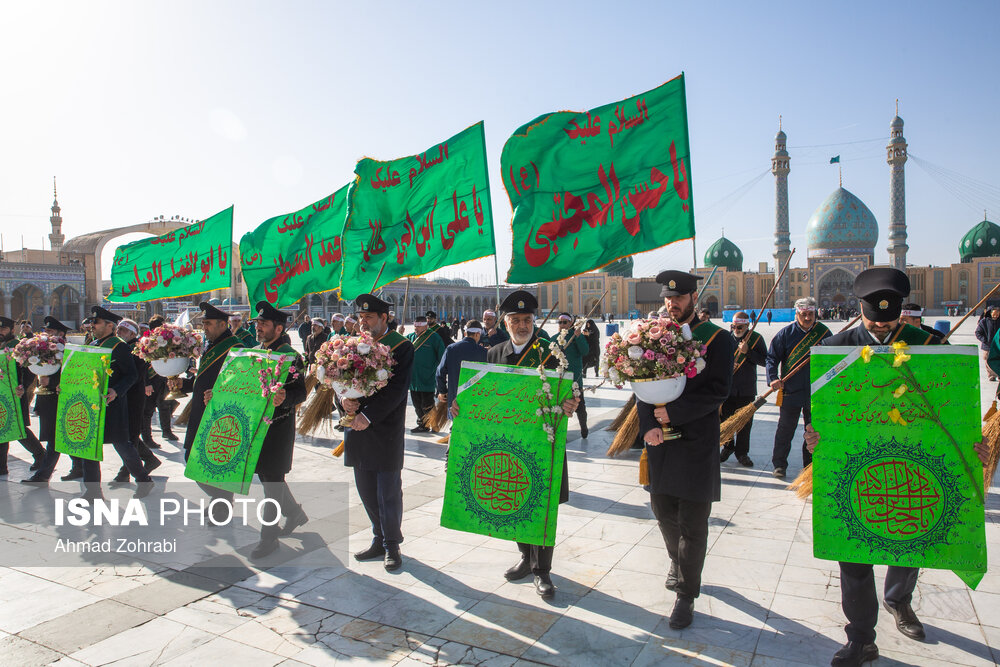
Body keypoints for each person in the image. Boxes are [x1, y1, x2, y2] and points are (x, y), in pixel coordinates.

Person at [803, 268, 962, 667]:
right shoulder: (836, 348)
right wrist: (814, 435)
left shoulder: (929, 345)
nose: (881, 326)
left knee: (909, 538)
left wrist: (968, 443)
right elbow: (821, 406)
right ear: (859, 309)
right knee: (853, 550)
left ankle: (898, 601)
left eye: (889, 321)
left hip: (913, 466)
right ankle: (860, 638)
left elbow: (954, 401)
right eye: (874, 319)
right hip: (857, 467)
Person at [452, 290, 580, 598]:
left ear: (534, 321)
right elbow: (485, 394)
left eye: (527, 320)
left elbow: (571, 389)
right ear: (504, 322)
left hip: (542, 442)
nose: (522, 325)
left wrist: (572, 402)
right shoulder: (495, 353)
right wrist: (461, 405)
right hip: (510, 445)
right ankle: (525, 557)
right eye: (516, 320)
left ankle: (543, 571)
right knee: (513, 497)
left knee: (542, 503)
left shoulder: (551, 352)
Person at [636, 271, 732, 629]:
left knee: (693, 522)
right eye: (667, 298)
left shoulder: (718, 339)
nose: (671, 304)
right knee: (663, 513)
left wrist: (674, 412)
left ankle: (686, 595)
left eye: (678, 298)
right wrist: (648, 424)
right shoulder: (654, 335)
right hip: (661, 442)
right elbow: (641, 384)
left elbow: (718, 391)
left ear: (694, 298)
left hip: (696, 443)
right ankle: (677, 562)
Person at [341, 294, 414, 571]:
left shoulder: (401, 347)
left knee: (388, 491)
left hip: (385, 430)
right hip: (357, 429)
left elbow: (397, 390)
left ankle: (392, 544)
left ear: (385, 317)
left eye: (369, 317)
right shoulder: (353, 345)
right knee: (366, 489)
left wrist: (368, 416)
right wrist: (343, 400)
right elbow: (340, 379)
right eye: (361, 317)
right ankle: (378, 537)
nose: (363, 322)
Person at [239, 301, 308, 559]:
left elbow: (300, 392)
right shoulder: (254, 352)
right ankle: (295, 513)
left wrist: (285, 398)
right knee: (269, 478)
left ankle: (268, 539)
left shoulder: (291, 356)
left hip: (278, 428)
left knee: (272, 483)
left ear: (278, 328)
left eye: (264, 324)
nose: (258, 327)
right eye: (257, 323)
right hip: (256, 427)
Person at [167, 303, 245, 517]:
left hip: (219, 415)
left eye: (208, 323)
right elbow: (203, 379)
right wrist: (184, 384)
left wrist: (218, 394)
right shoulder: (212, 345)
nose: (205, 327)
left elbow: (239, 385)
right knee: (193, 457)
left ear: (223, 324)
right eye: (204, 323)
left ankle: (222, 503)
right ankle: (221, 500)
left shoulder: (235, 348)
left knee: (208, 460)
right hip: (202, 411)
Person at [82, 306, 153, 499]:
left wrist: (116, 390)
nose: (92, 325)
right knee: (89, 446)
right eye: (92, 322)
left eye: (96, 322)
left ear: (109, 325)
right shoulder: (93, 344)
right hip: (91, 404)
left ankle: (144, 480)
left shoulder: (119, 346)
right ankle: (93, 491)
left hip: (112, 405)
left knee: (122, 445)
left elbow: (132, 375)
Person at [765, 297, 831, 478]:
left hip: (816, 391)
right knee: (785, 430)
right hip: (790, 391)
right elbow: (772, 358)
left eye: (811, 314)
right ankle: (779, 465)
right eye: (804, 314)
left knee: (812, 430)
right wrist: (773, 378)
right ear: (797, 314)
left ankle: (809, 466)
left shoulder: (824, 333)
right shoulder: (786, 334)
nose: (808, 318)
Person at [21, 317, 79, 483]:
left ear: (61, 333)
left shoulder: (67, 351)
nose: (47, 333)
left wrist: (52, 382)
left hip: (59, 399)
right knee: (60, 437)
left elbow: (71, 376)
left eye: (50, 331)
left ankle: (43, 474)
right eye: (45, 330)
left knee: (55, 438)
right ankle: (79, 467)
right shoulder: (42, 349)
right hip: (46, 398)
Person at [109, 318, 161, 485]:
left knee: (128, 436)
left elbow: (138, 373)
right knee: (126, 436)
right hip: (123, 394)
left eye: (123, 330)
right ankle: (148, 460)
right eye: (118, 329)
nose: (119, 332)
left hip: (133, 395)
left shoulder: (136, 348)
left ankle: (126, 472)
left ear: (132, 334)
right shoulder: (120, 346)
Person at [0, 315, 46, 475]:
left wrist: (23, 386)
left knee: (18, 426)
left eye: (4, 328)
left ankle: (40, 455)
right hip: (2, 394)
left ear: (12, 330)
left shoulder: (18, 346)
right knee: (3, 427)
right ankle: (2, 466)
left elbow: (29, 370)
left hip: (15, 394)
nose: (0, 331)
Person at [721, 311, 766, 467]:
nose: (736, 329)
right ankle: (728, 447)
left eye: (740, 327)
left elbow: (765, 361)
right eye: (733, 326)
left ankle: (742, 453)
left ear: (747, 325)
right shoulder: (726, 338)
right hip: (728, 388)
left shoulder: (756, 339)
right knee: (726, 420)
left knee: (745, 423)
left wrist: (748, 352)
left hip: (746, 388)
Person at [435, 319, 488, 412]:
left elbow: (440, 372)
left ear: (465, 333)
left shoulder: (451, 349)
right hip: (476, 400)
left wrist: (442, 391)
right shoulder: (484, 352)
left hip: (454, 400)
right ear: (477, 334)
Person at [406, 316, 445, 434]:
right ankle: (423, 424)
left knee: (427, 404)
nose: (416, 329)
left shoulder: (434, 337)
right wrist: (400, 334)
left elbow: (442, 356)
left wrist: (440, 372)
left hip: (428, 376)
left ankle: (434, 424)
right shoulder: (410, 337)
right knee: (417, 403)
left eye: (418, 327)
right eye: (415, 326)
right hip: (414, 377)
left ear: (425, 326)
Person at [554, 313, 590, 438]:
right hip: (560, 379)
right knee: (560, 407)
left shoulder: (576, 336)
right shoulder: (554, 339)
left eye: (565, 322)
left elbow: (585, 351)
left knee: (580, 406)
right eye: (560, 322)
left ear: (571, 323)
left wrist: (579, 337)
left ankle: (584, 428)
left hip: (575, 379)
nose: (562, 325)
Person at [974, 306, 999, 381]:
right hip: (987, 346)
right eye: (994, 314)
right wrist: (984, 340)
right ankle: (991, 375)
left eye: (997, 314)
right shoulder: (984, 322)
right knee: (988, 361)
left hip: (998, 346)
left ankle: (999, 375)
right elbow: (978, 332)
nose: (996, 316)